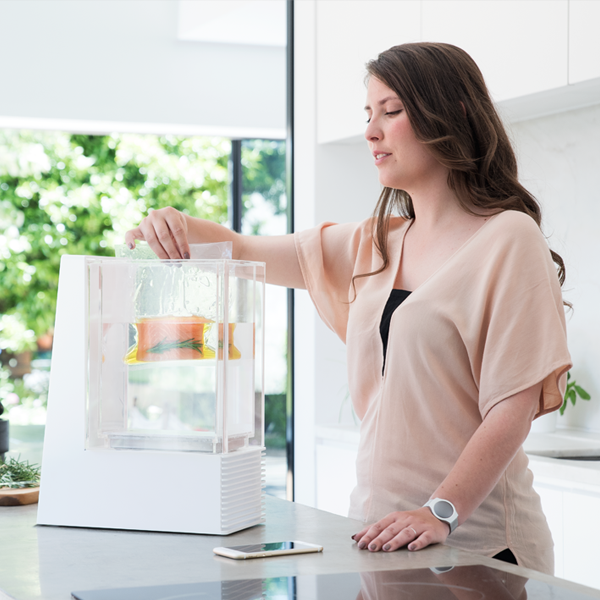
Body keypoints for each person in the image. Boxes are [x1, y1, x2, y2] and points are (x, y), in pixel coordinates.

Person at [125, 42, 572, 574]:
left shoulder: (507, 238)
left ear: (452, 114)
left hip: (477, 544)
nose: (371, 131)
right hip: (381, 535)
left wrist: (440, 512)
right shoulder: (373, 244)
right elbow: (239, 250)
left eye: (391, 111)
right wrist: (169, 225)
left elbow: (512, 410)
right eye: (368, 115)